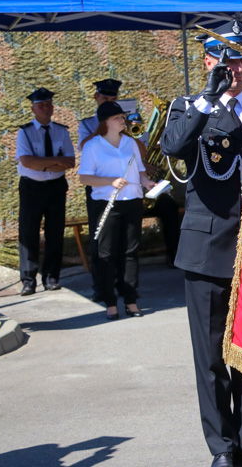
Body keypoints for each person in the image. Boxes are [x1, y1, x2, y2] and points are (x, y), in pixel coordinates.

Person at [160, 20, 242, 467]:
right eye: (224, 58)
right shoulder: (188, 106)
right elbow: (174, 144)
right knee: (212, 357)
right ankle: (222, 447)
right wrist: (210, 97)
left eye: (239, 58)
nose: (234, 67)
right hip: (206, 249)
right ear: (207, 60)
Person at [78, 101, 155, 320]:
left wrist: (147, 182)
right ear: (106, 122)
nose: (123, 121)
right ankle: (110, 301)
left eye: (123, 117)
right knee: (106, 253)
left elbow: (139, 171)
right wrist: (110, 181)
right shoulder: (93, 146)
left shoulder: (130, 143)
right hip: (106, 203)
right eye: (118, 118)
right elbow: (84, 177)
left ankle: (131, 299)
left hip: (132, 200)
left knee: (130, 252)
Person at [15, 87, 75, 296]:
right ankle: (28, 280)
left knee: (55, 232)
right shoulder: (25, 132)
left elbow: (69, 161)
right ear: (33, 109)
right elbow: (27, 161)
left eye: (49, 104)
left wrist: (44, 164)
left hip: (56, 187)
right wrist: (53, 162)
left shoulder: (61, 130)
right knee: (28, 232)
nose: (46, 108)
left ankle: (51, 277)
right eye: (41, 105)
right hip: (32, 187)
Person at [78, 78, 122, 301]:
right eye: (105, 99)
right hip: (98, 186)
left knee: (121, 238)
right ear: (96, 98)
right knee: (99, 237)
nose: (108, 103)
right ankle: (100, 287)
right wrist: (104, 125)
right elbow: (85, 146)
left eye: (113, 100)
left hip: (122, 186)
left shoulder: (123, 121)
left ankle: (123, 285)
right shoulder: (87, 124)